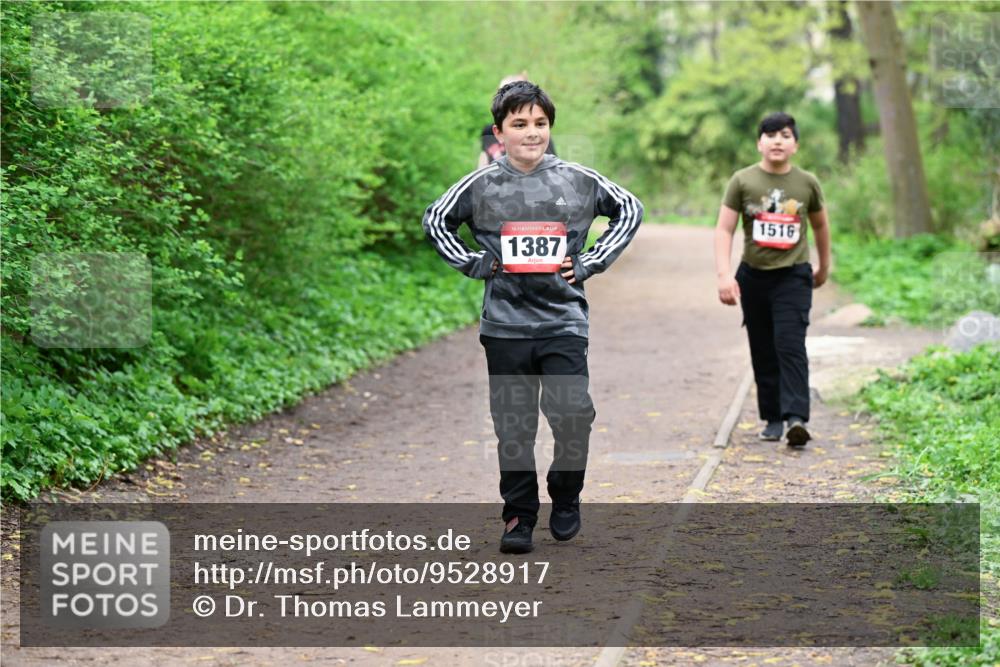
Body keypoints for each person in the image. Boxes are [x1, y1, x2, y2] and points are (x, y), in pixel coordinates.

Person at [423, 80, 643, 553]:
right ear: (499, 132)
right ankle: (519, 516)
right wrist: (474, 263)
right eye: (519, 124)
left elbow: (629, 208)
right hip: (505, 326)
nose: (531, 132)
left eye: (540, 123)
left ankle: (566, 492)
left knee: (573, 415)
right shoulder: (481, 185)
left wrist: (590, 261)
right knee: (514, 427)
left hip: (563, 321)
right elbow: (435, 219)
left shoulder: (577, 179)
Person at [713, 112, 832, 448]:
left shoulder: (807, 182)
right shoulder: (742, 181)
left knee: (790, 344)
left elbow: (821, 225)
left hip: (794, 276)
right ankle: (773, 419)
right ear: (759, 143)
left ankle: (796, 418)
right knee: (763, 347)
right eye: (770, 134)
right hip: (753, 277)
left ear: (795, 145)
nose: (777, 140)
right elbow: (724, 229)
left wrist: (824, 267)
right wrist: (724, 275)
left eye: (785, 135)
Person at [477, 73, 556, 168]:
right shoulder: (488, 132)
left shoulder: (539, 135)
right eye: (520, 125)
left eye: (540, 124)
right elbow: (484, 156)